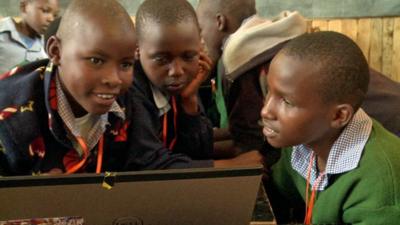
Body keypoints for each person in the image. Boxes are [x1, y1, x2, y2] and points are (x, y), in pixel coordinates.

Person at [261, 31, 400, 224]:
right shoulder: (302, 142)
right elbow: (279, 193)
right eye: (269, 91)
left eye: (286, 101)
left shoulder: (379, 185)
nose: (266, 111)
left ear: (338, 116)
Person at [0, 0, 137, 176]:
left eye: (126, 64)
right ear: (56, 52)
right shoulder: (10, 118)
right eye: (96, 60)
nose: (114, 79)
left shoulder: (126, 101)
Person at [131, 0, 264, 169]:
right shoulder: (131, 92)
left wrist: (189, 102)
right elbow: (147, 162)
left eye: (188, 56)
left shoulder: (181, 84)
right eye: (162, 59)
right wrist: (229, 166)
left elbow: (196, 151)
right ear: (137, 50)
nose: (177, 71)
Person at [196, 0, 308, 161]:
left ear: (220, 22)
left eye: (201, 30)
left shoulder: (239, 58)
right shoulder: (273, 38)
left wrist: (185, 155)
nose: (201, 39)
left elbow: (249, 144)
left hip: (287, 162)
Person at [0, 0, 59, 75]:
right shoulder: (2, 32)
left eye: (55, 15)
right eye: (45, 11)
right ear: (24, 7)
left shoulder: (47, 47)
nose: (51, 19)